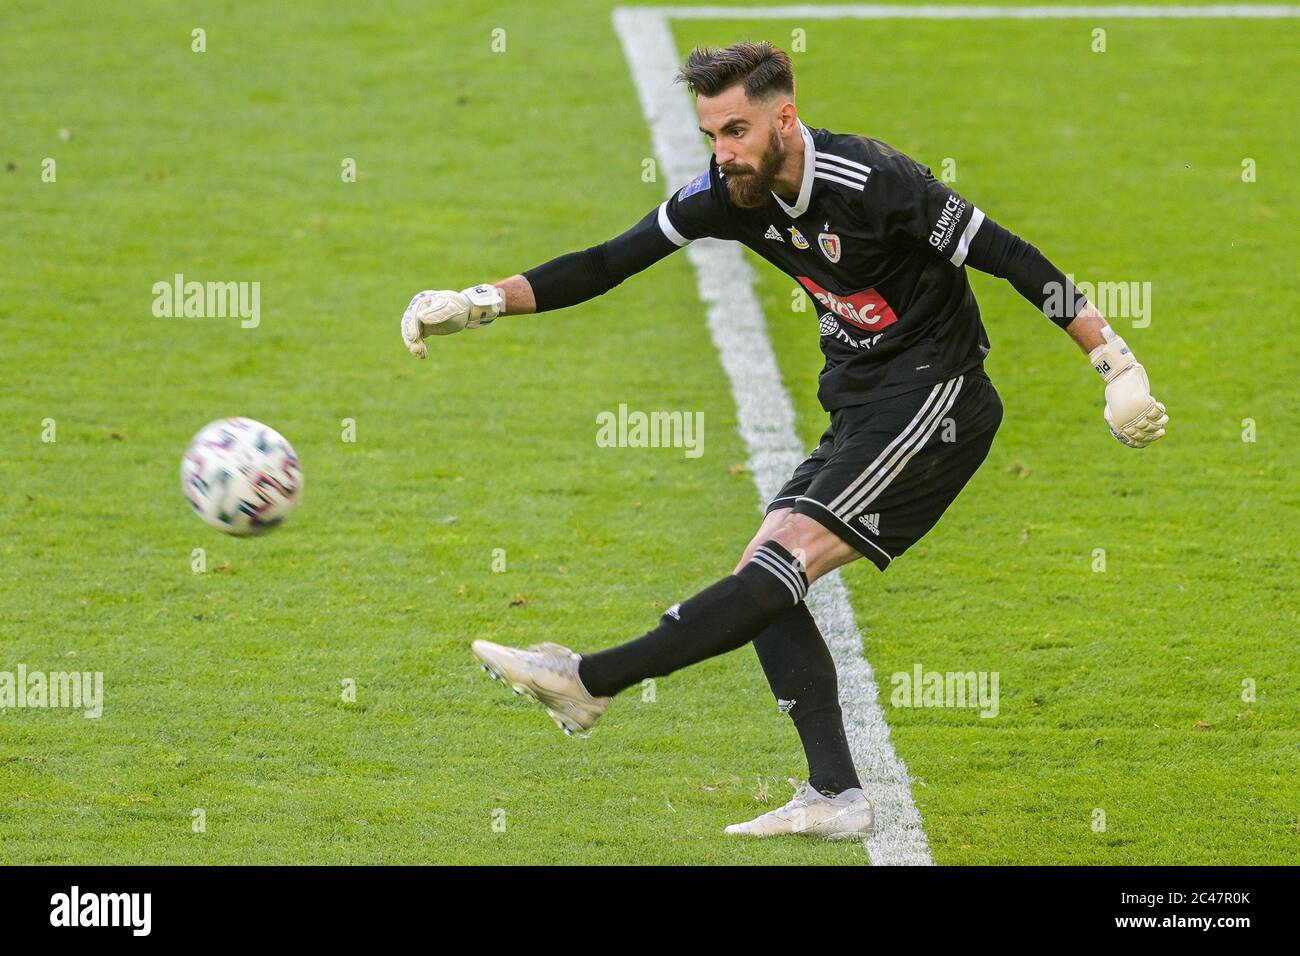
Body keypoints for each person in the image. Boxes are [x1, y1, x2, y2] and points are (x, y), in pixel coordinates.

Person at [399, 41, 1168, 840]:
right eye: (711, 136)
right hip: (862, 404)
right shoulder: (729, 197)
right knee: (761, 583)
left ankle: (590, 678)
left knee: (780, 565)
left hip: (939, 398)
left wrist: (1115, 365)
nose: (723, 154)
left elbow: (1013, 257)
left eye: (736, 131)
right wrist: (479, 301)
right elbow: (605, 263)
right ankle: (835, 796)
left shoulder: (875, 181)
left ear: (785, 117)